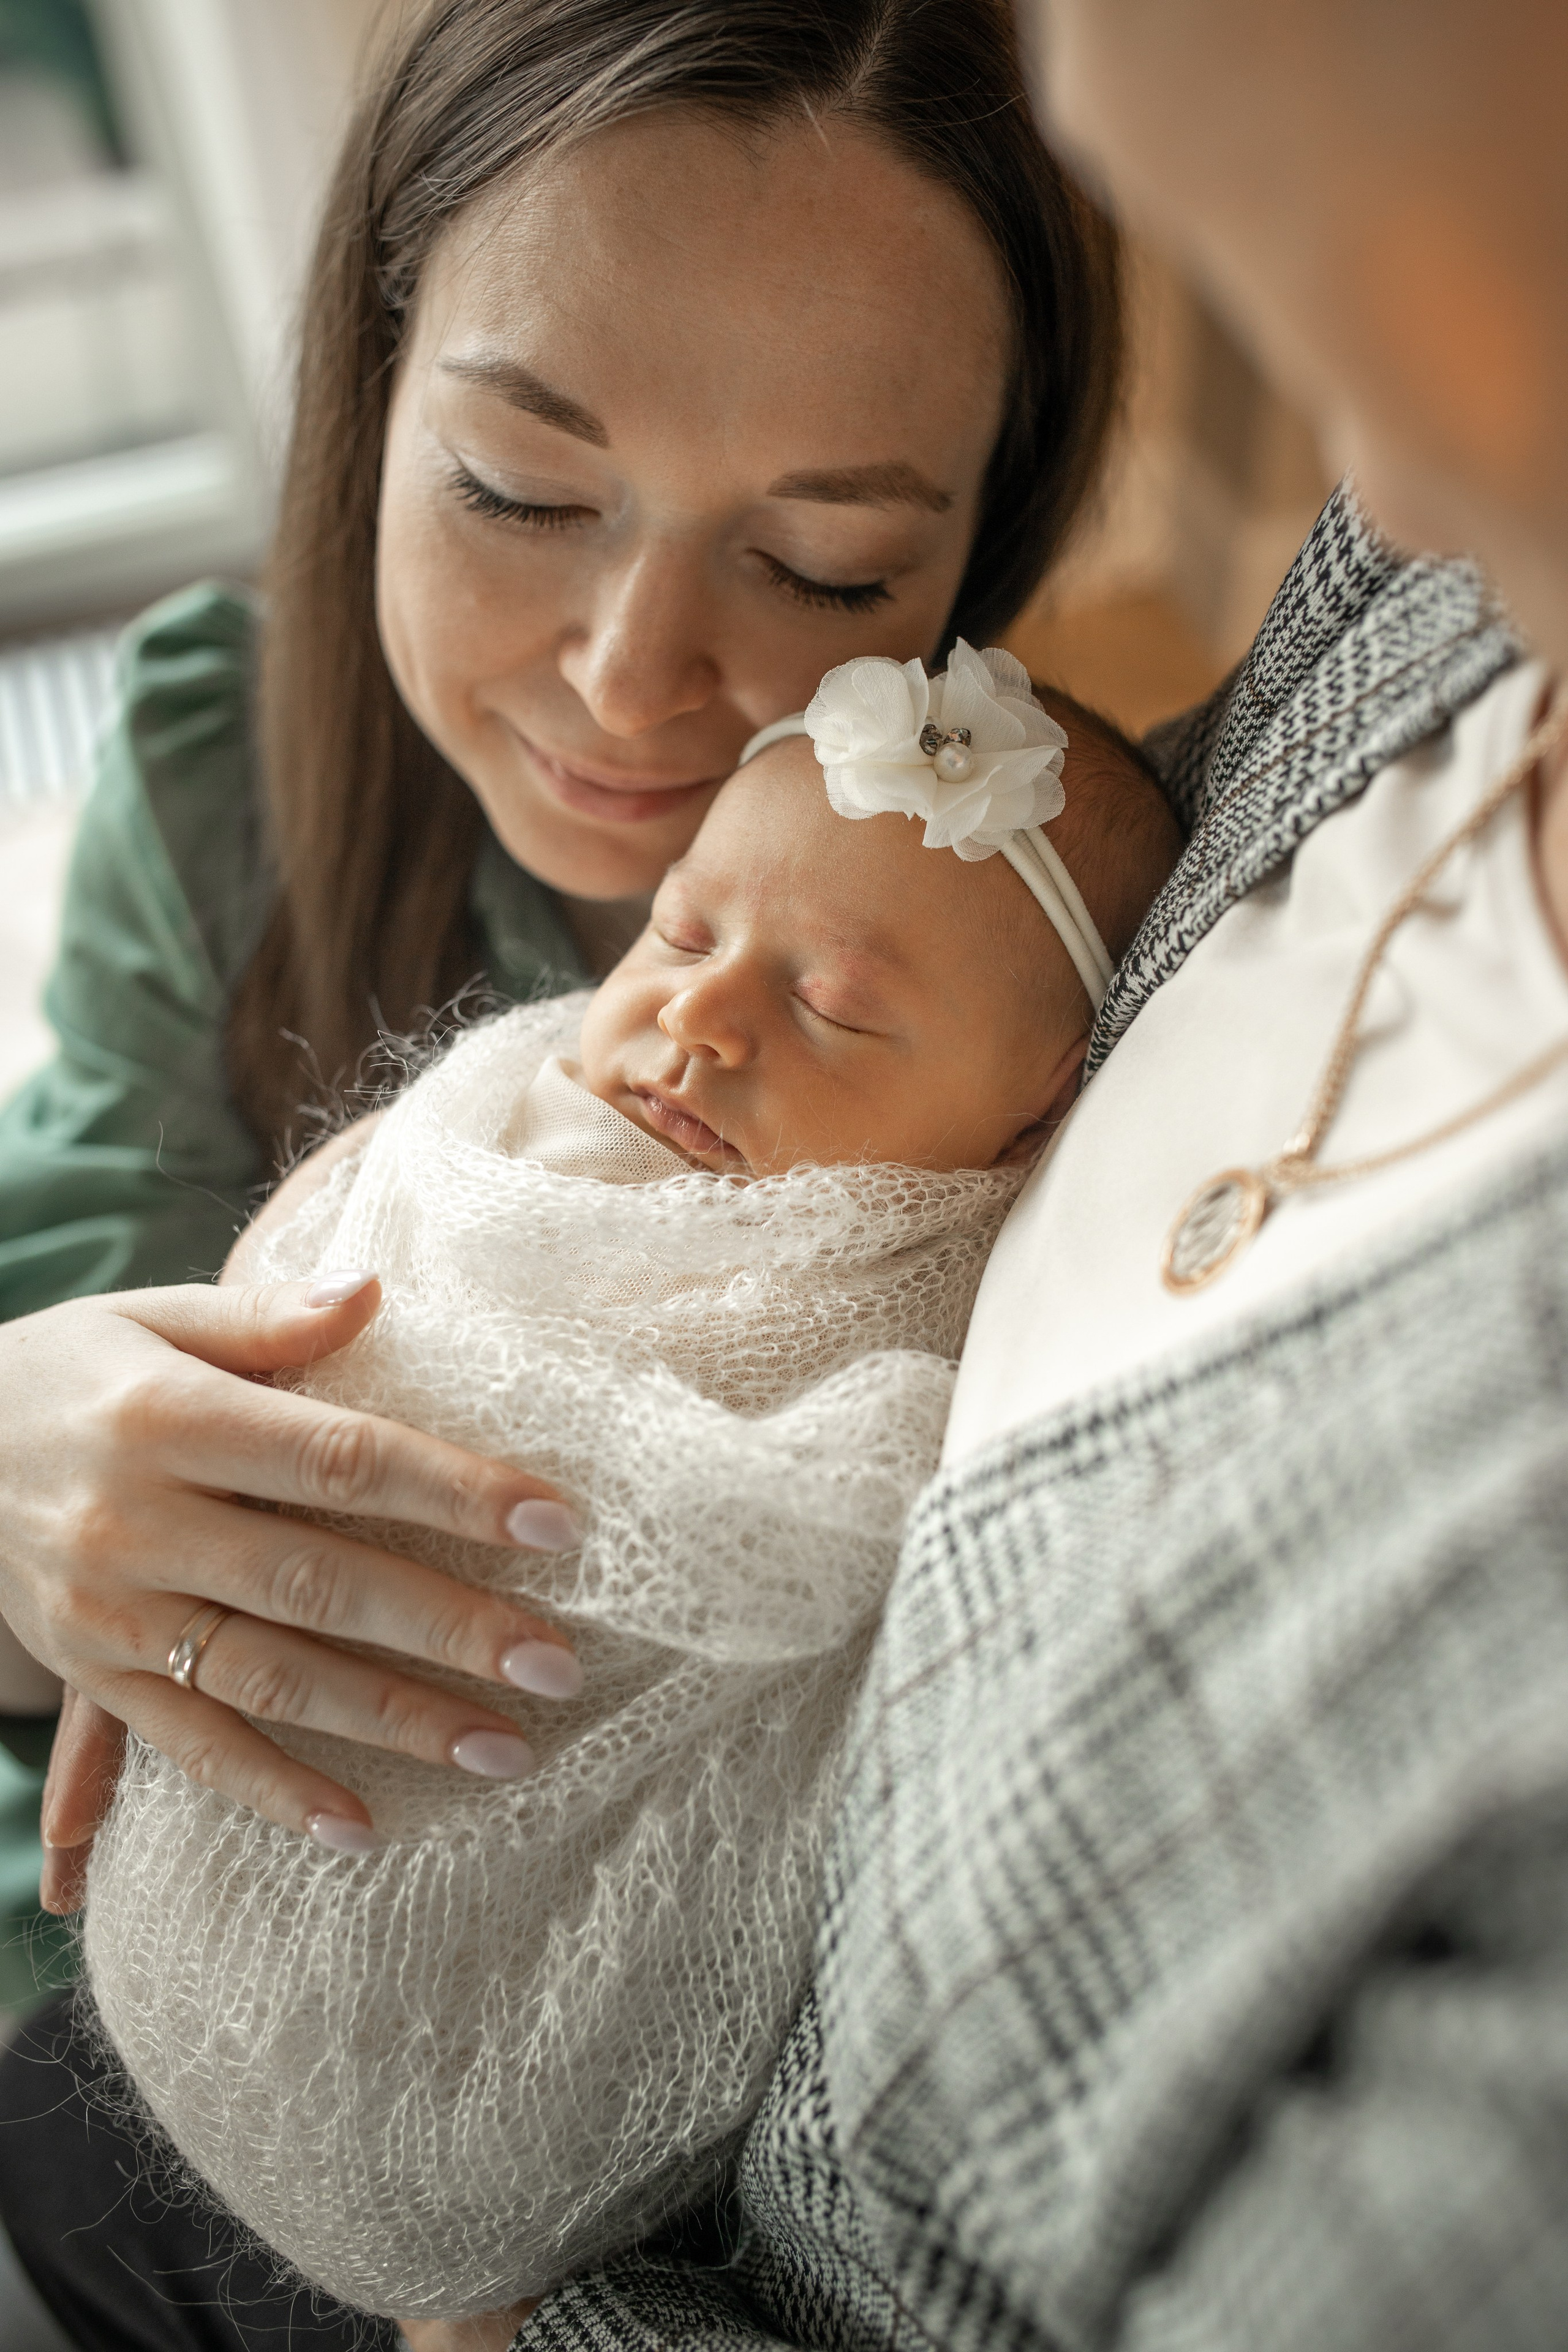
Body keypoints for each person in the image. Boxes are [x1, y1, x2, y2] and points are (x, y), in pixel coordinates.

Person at [0, 2, 1123, 2344]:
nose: (631, 687)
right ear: (374, 389)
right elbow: (76, 1335)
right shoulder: (221, 778)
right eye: (520, 494)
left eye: (822, 567)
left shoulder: (1048, 964)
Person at [82, 651, 1180, 2335]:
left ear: (1036, 1117)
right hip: (157, 1872)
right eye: (681, 930)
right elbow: (359, 1214)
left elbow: (821, 1528)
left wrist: (639, 1486)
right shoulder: (510, 1086)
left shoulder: (907, 1294)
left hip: (463, 2045)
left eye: (838, 1011)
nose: (701, 1012)